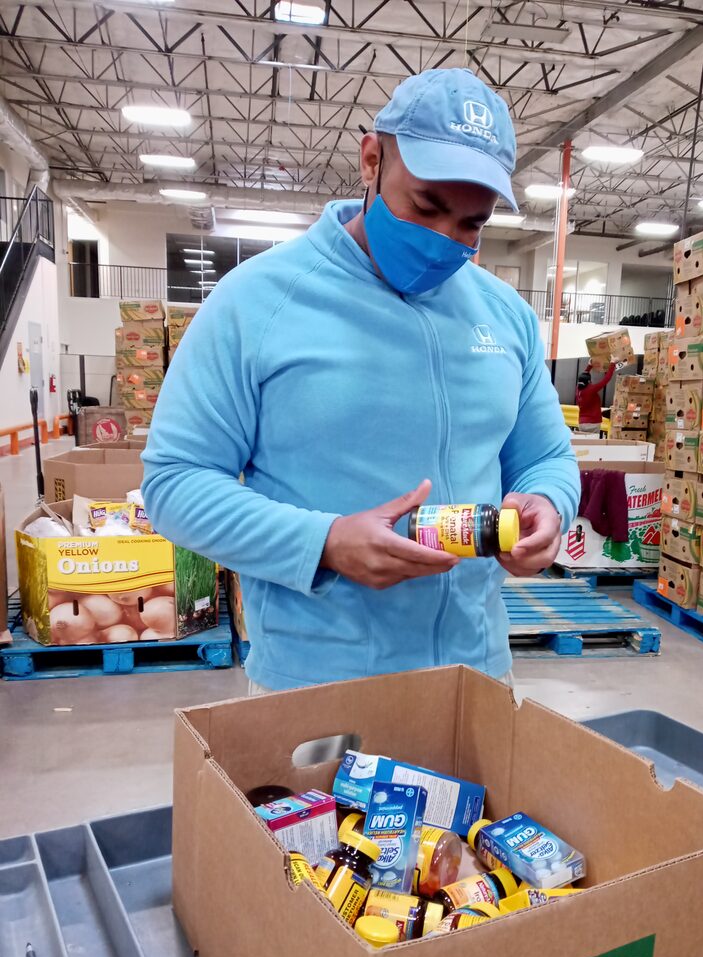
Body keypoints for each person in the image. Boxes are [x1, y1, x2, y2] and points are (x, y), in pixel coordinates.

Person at [142, 67, 580, 692]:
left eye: (471, 224)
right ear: (371, 158)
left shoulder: (503, 314)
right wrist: (324, 542)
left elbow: (544, 457)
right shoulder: (258, 303)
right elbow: (174, 483)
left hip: (476, 675)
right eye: (425, 206)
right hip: (318, 682)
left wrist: (547, 506)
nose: (443, 239)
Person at [575, 360, 615, 433]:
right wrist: (612, 363)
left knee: (583, 442)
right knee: (592, 442)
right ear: (589, 382)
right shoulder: (591, 389)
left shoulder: (578, 389)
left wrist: (589, 366)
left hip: (582, 423)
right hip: (593, 422)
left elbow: (583, 377)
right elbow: (606, 379)